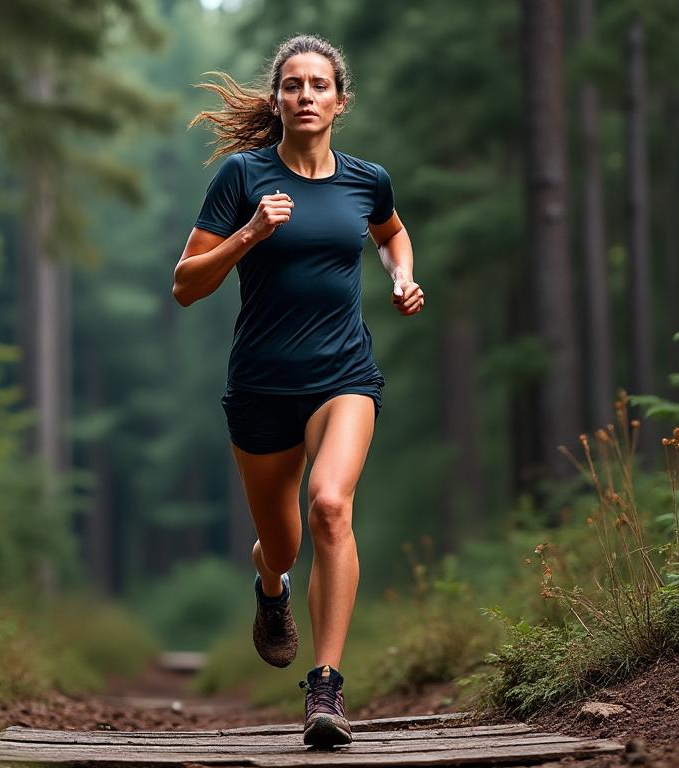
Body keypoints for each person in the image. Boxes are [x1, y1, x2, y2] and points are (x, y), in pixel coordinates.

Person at [173, 34, 423, 747]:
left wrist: (400, 276)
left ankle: (326, 688)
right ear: (277, 100)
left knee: (331, 505)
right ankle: (269, 583)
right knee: (281, 545)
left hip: (343, 374)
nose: (306, 96)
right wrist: (249, 233)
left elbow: (392, 234)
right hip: (260, 386)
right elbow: (185, 285)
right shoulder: (241, 179)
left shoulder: (367, 179)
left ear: (340, 102)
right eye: (293, 85)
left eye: (319, 86)